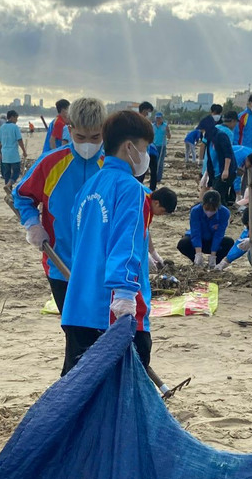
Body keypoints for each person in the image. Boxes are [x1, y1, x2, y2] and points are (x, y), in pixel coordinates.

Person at [61, 110, 157, 375]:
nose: (146, 155)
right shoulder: (132, 189)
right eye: (144, 147)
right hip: (113, 312)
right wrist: (126, 295)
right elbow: (124, 242)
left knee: (76, 391)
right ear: (129, 147)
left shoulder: (89, 187)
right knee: (121, 398)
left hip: (78, 306)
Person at [13, 97, 107, 313]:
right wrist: (33, 225)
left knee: (100, 329)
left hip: (102, 266)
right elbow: (22, 196)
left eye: (95, 137)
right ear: (69, 129)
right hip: (59, 263)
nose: (88, 144)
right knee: (73, 329)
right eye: (80, 137)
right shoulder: (50, 163)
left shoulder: (111, 165)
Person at [177, 189, 232, 267]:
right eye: (206, 209)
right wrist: (198, 253)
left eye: (213, 209)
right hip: (198, 240)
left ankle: (215, 263)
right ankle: (197, 262)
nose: (209, 211)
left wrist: (213, 255)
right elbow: (196, 232)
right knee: (183, 243)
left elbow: (219, 235)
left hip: (212, 241)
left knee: (229, 243)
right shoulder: (195, 211)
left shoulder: (224, 213)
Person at [209, 110, 240, 205]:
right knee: (218, 196)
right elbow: (227, 153)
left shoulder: (217, 131)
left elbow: (227, 153)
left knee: (218, 196)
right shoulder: (226, 133)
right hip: (220, 168)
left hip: (218, 168)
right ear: (233, 121)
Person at [0, 109, 26, 188]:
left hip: (4, 154)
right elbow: (19, 140)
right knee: (16, 172)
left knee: (7, 173)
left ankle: (8, 190)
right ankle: (9, 185)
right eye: (16, 118)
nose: (17, 120)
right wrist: (24, 151)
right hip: (13, 154)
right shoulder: (15, 127)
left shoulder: (2, 127)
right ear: (12, 117)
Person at [152, 111, 170, 184]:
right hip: (154, 146)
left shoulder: (165, 126)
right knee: (153, 163)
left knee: (160, 163)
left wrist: (168, 132)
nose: (158, 119)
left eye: (159, 118)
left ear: (162, 118)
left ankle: (158, 178)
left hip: (162, 146)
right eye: (157, 118)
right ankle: (153, 177)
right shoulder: (152, 126)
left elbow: (169, 137)